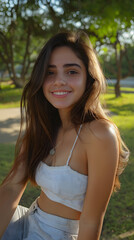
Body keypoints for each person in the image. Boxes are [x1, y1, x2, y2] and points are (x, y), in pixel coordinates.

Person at [0, 31, 129, 240]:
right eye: (50, 73)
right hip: (26, 221)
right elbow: (12, 186)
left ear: (88, 77)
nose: (59, 81)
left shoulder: (100, 134)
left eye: (71, 72)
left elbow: (92, 220)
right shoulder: (43, 126)